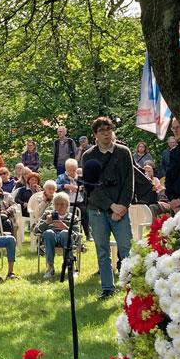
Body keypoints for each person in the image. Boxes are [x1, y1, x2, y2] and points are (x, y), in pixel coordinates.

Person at [81, 116, 134, 300]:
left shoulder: (123, 152)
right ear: (95, 134)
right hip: (98, 210)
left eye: (108, 129)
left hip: (121, 210)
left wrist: (122, 207)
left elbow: (129, 182)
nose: (106, 133)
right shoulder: (88, 156)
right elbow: (90, 187)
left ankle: (131, 288)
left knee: (126, 249)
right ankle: (107, 288)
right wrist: (111, 206)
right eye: (102, 130)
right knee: (102, 250)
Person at [37, 192, 83, 281]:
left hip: (66, 239)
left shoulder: (73, 217)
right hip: (51, 239)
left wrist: (65, 227)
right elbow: (36, 231)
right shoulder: (48, 215)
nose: (59, 207)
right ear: (53, 205)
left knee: (65, 233)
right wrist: (46, 222)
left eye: (62, 204)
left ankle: (70, 268)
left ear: (67, 205)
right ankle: (50, 268)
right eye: (56, 204)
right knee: (48, 232)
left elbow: (78, 236)